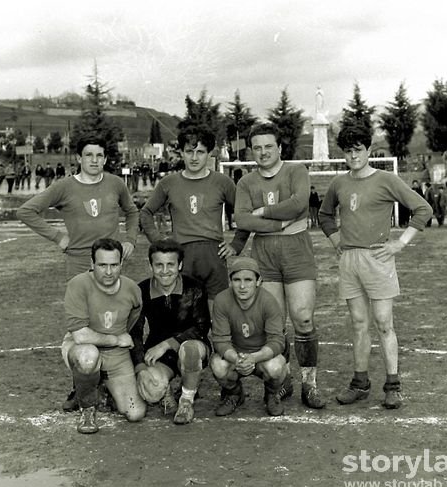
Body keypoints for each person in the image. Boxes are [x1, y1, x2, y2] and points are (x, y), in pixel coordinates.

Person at [18, 136, 140, 410]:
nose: (94, 160)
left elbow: (132, 211)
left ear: (106, 159)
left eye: (99, 155)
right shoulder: (64, 187)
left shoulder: (116, 184)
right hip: (78, 264)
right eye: (89, 155)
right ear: (79, 158)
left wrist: (130, 239)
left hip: (110, 264)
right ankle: (81, 387)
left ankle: (110, 382)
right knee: (82, 326)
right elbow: (27, 211)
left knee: (114, 322)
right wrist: (58, 237)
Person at [318, 124, 432, 410]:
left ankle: (393, 385)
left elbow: (423, 209)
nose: (353, 155)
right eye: (348, 151)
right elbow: (324, 215)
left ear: (368, 150)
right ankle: (360, 384)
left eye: (358, 149)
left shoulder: (385, 180)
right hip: (350, 261)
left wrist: (400, 243)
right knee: (358, 324)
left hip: (378, 258)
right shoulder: (339, 183)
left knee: (383, 323)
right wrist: (336, 242)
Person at [234, 122, 325, 409]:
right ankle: (280, 381)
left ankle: (309, 383)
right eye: (257, 147)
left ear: (280, 148)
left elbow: (299, 204)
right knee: (273, 324)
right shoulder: (246, 182)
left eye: (268, 146)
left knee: (303, 318)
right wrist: (281, 220)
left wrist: (263, 212)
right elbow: (242, 220)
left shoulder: (296, 170)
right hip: (264, 254)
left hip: (297, 250)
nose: (263, 152)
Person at [139, 126, 249, 309]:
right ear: (181, 152)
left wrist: (236, 244)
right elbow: (145, 212)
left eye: (200, 152)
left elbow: (244, 212)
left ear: (209, 153)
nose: (195, 157)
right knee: (183, 316)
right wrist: (159, 242)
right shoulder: (169, 183)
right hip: (182, 256)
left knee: (218, 315)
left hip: (214, 256)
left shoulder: (222, 182)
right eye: (189, 151)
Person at [62, 238, 146, 434]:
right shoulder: (78, 285)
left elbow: (133, 318)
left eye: (114, 265)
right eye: (102, 265)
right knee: (88, 358)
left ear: (121, 264)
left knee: (135, 413)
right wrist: (116, 339)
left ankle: (105, 387)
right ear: (92, 264)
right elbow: (81, 335)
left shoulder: (132, 289)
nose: (109, 272)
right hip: (82, 347)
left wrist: (119, 341)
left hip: (116, 355)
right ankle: (87, 407)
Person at [130, 239, 211, 425]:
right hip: (157, 353)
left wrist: (167, 344)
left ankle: (186, 401)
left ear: (180, 265)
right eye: (159, 265)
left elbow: (202, 327)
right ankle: (165, 390)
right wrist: (140, 367)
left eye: (170, 265)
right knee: (151, 390)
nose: (164, 270)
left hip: (192, 345)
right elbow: (135, 332)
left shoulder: (195, 288)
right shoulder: (141, 290)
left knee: (189, 351)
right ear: (150, 265)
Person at [210, 257, 288, 417]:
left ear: (258, 281)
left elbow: (277, 341)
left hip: (261, 356)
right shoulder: (222, 300)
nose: (242, 286)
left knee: (276, 367)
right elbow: (220, 340)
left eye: (248, 280)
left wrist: (254, 357)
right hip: (236, 355)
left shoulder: (268, 301)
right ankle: (234, 394)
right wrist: (237, 358)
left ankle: (272, 394)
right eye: (237, 280)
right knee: (217, 365)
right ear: (230, 281)